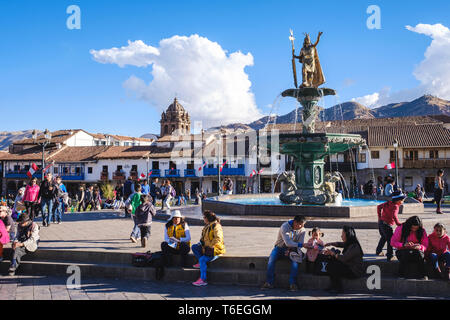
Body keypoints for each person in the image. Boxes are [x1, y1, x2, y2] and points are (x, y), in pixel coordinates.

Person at [261, 215, 307, 292]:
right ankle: (269, 282)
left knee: (295, 262)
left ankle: (292, 284)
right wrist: (300, 245)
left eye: (303, 225)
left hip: (293, 249)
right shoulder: (285, 226)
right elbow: (288, 242)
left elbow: (300, 243)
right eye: (300, 224)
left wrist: (292, 249)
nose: (301, 227)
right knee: (271, 259)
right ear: (295, 222)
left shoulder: (302, 230)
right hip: (279, 247)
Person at [322, 226, 364, 293]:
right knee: (331, 262)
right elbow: (341, 244)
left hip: (354, 271)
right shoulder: (350, 243)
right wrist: (330, 243)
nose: (341, 236)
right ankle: (333, 285)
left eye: (343, 234)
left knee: (334, 266)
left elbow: (344, 258)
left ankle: (339, 288)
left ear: (348, 235)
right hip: (349, 266)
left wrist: (332, 253)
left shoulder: (354, 246)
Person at [191, 210, 226, 286]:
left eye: (204, 217)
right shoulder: (207, 226)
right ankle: (201, 263)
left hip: (216, 250)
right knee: (194, 247)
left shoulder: (216, 226)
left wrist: (210, 246)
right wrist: (200, 243)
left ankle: (203, 280)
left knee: (202, 259)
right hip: (207, 249)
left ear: (208, 218)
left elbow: (218, 238)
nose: (203, 219)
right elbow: (204, 238)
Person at [375, 191, 405, 261]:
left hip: (381, 223)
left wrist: (379, 218)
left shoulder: (388, 203)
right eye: (402, 200)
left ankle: (378, 251)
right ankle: (390, 255)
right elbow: (394, 215)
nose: (402, 202)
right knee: (390, 240)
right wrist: (398, 223)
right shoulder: (395, 206)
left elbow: (378, 207)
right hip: (387, 225)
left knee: (383, 237)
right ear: (398, 200)